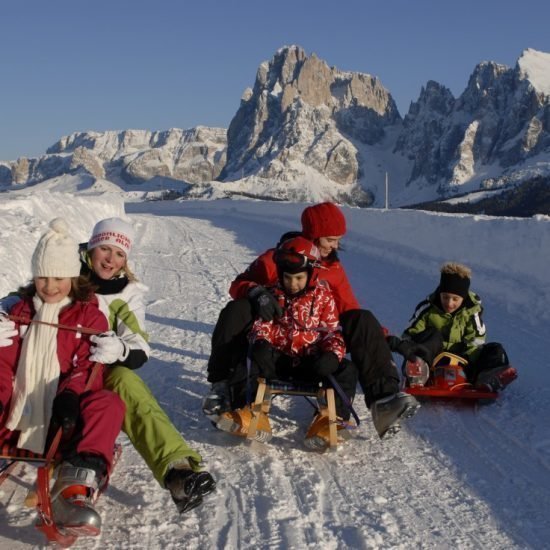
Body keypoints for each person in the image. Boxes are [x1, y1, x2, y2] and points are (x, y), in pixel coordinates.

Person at [1, 217, 216, 514]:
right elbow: (26, 294)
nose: (110, 259)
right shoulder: (62, 266)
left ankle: (177, 470)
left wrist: (121, 348)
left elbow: (140, 347)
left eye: (119, 253)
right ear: (91, 247)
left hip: (94, 366)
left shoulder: (125, 293)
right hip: (45, 356)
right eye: (105, 248)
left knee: (125, 385)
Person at [204, 202, 419, 439]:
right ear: (314, 235)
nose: (335, 246)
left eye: (337, 240)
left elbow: (351, 310)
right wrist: (256, 292)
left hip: (314, 343)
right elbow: (238, 285)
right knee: (238, 308)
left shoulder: (332, 269)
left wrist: (386, 337)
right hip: (275, 337)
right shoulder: (278, 259)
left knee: (363, 318)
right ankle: (222, 387)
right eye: (330, 239)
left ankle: (383, 401)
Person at [0, 218, 125, 535]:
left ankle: (72, 491)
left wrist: (69, 396)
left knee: (107, 404)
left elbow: (87, 366)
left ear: (72, 277)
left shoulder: (87, 315)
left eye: (58, 277)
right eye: (42, 276)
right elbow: (5, 366)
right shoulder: (20, 313)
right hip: (15, 419)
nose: (50, 285)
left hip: (64, 423)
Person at [216, 236, 358, 451]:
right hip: (278, 358)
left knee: (346, 369)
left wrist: (332, 355)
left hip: (310, 361)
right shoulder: (273, 294)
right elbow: (262, 325)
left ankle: (330, 421)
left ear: (309, 274)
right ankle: (247, 412)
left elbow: (332, 333)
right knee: (245, 357)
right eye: (288, 278)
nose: (293, 284)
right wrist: (261, 341)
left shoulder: (323, 297)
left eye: (299, 278)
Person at [388, 262, 517, 391]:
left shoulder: (471, 312)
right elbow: (411, 333)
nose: (449, 303)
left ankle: (488, 379)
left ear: (463, 297)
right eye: (445, 297)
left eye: (455, 299)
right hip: (432, 358)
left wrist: (467, 360)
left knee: (495, 348)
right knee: (432, 334)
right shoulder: (428, 309)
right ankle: (419, 371)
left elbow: (477, 339)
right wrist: (408, 346)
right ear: (440, 294)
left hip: (463, 359)